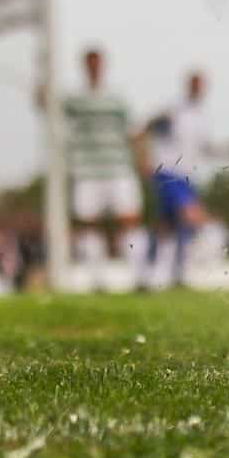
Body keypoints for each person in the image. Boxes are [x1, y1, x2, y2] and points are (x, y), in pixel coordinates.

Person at [61, 46, 150, 292]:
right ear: (84, 66)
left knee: (130, 220)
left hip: (119, 168)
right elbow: (48, 109)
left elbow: (133, 131)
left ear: (103, 65)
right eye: (90, 63)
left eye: (98, 63)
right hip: (87, 171)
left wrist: (143, 158)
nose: (94, 67)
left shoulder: (117, 98)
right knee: (89, 224)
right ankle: (96, 280)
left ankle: (140, 278)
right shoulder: (73, 100)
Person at [143, 69, 223, 289]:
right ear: (188, 85)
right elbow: (147, 127)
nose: (197, 88)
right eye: (194, 84)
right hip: (168, 171)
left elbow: (205, 148)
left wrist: (227, 150)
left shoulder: (202, 116)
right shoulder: (175, 110)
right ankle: (173, 271)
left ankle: (160, 272)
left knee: (167, 226)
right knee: (192, 216)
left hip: (187, 175)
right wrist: (144, 157)